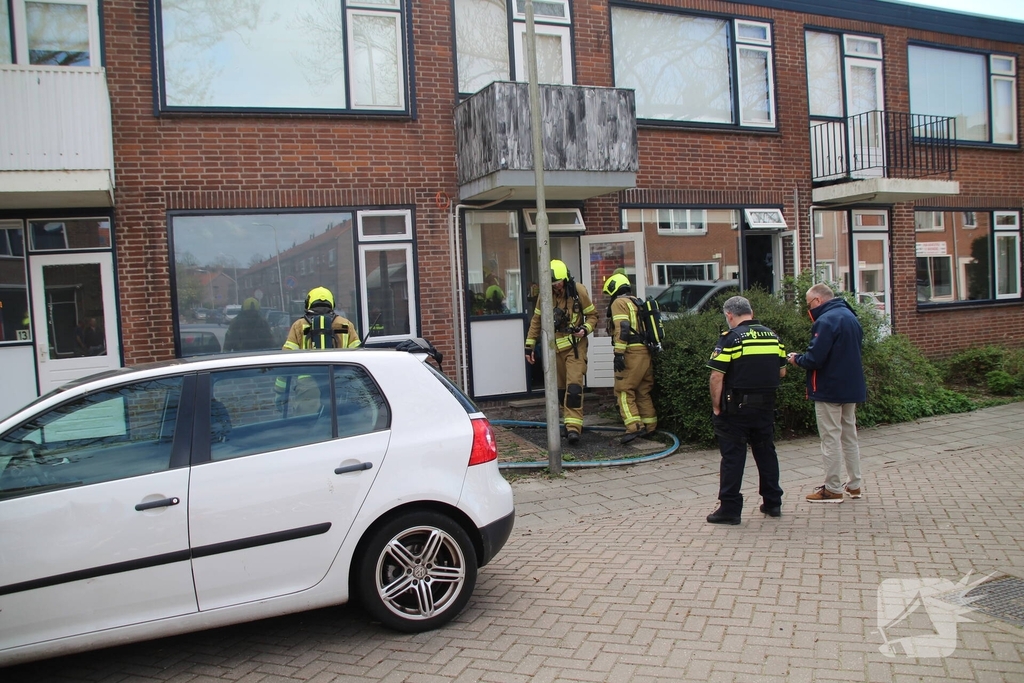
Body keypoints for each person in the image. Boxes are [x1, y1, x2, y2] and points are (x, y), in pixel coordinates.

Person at [706, 295, 787, 525]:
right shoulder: (773, 337)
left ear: (729, 315)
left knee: (733, 457)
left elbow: (716, 375)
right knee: (766, 453)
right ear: (750, 312)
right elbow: (782, 372)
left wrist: (716, 406)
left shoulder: (731, 338)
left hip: (736, 409)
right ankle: (773, 503)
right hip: (766, 407)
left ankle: (730, 509)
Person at [787, 283, 867, 504]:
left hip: (829, 388)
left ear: (817, 301)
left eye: (808, 304)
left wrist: (797, 359)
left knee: (830, 438)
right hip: (851, 387)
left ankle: (832, 488)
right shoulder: (851, 317)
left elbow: (815, 358)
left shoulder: (826, 320)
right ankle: (855, 484)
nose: (808, 309)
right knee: (849, 436)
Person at [525, 259, 598, 444]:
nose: (555, 286)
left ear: (565, 279)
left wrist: (585, 329)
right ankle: (568, 423)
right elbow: (536, 320)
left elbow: (592, 315)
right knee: (560, 391)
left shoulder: (579, 291)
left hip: (575, 347)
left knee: (574, 388)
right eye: (552, 284)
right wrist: (529, 346)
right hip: (555, 349)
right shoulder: (546, 294)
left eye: (557, 283)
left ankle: (574, 429)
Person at [602, 273, 657, 444]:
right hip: (645, 352)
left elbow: (622, 328)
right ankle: (650, 425)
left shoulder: (619, 303)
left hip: (631, 353)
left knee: (623, 390)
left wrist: (619, 353)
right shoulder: (637, 302)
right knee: (642, 390)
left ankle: (633, 426)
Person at [282, 286, 361, 350]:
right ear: (332, 303)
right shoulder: (345, 324)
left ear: (308, 303)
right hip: (339, 369)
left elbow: (287, 354)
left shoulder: (299, 325)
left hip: (308, 369)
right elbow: (357, 352)